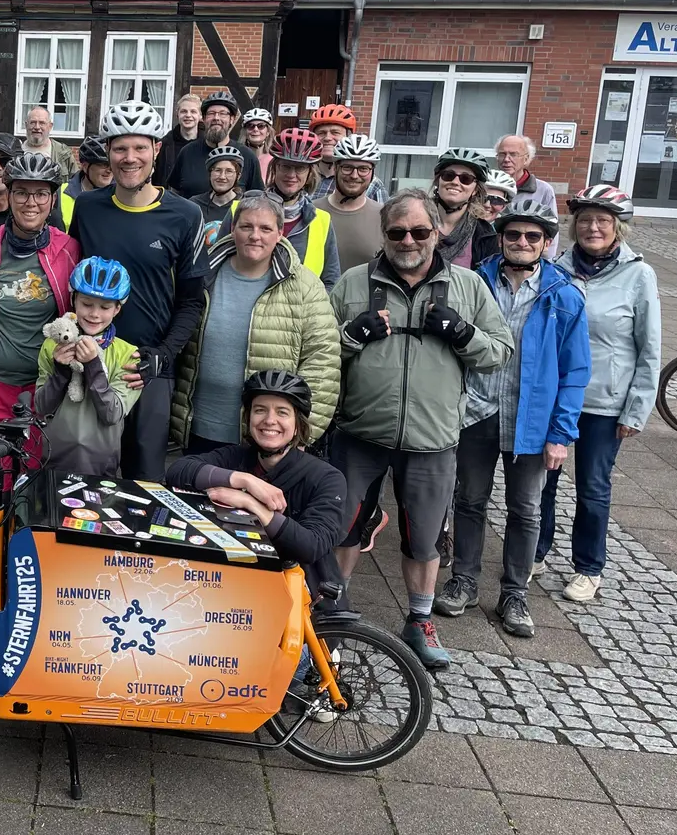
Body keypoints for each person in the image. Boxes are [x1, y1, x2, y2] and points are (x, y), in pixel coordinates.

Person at [327, 189, 514, 668]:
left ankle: (419, 619)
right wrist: (352, 337)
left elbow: (500, 352)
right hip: (360, 433)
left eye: (419, 231)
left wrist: (463, 333)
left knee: (424, 537)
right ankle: (330, 611)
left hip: (432, 439)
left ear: (437, 232)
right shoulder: (352, 282)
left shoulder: (469, 286)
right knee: (343, 528)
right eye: (396, 232)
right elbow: (321, 350)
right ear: (384, 234)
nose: (408, 240)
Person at [435, 198, 588, 637]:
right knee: (469, 500)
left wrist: (561, 433)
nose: (522, 242)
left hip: (532, 419)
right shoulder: (475, 281)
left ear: (545, 243)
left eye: (533, 236)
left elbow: (575, 371)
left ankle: (514, 592)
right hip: (477, 411)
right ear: (500, 239)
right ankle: (463, 579)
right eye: (514, 235)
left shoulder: (564, 295)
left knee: (525, 509)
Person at [69, 100, 207, 482]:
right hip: (93, 358)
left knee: (143, 481)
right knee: (87, 474)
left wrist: (163, 355)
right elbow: (75, 280)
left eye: (139, 147)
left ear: (157, 149)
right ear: (107, 154)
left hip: (146, 367)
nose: (130, 158)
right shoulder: (87, 208)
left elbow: (192, 300)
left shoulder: (184, 215)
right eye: (120, 148)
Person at [537, 185, 660, 604]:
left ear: (617, 229)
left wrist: (637, 408)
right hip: (556, 397)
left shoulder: (638, 275)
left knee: (592, 487)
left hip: (605, 403)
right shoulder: (554, 267)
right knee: (542, 483)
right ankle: (536, 551)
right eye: (585, 220)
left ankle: (588, 567)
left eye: (602, 221)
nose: (592, 227)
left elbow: (650, 346)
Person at [171, 189, 340, 456]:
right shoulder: (202, 275)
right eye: (246, 226)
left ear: (279, 233)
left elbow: (323, 365)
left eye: (265, 228)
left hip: (267, 437)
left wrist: (303, 434)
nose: (255, 235)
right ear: (233, 229)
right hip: (199, 428)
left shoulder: (305, 287)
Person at [0, 151, 80, 498]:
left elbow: (82, 312)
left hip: (43, 392)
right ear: (8, 195)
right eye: (22, 192)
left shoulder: (69, 249)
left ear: (52, 199)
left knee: (31, 491)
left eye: (41, 193)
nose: (31, 202)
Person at [165, 371, 347, 590]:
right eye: (260, 410)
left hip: (301, 593)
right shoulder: (236, 457)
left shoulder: (326, 477)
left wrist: (252, 504)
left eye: (282, 412)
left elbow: (311, 546)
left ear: (298, 424)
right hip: (236, 581)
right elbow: (178, 470)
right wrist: (244, 479)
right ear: (248, 418)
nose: (270, 420)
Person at [34, 258, 142, 477]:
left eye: (105, 307)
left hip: (100, 466)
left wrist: (93, 366)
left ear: (117, 308)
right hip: (54, 460)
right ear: (73, 300)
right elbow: (41, 407)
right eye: (86, 304)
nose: (94, 314)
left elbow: (112, 414)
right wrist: (61, 372)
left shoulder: (128, 354)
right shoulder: (52, 345)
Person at [260, 128, 339, 291]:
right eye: (285, 166)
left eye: (300, 168)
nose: (291, 174)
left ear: (310, 173)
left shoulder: (321, 221)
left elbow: (330, 280)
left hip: (303, 314)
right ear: (274, 167)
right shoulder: (241, 211)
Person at [169, 91, 263, 196]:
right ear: (203, 119)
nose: (216, 118)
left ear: (231, 119)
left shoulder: (248, 156)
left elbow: (258, 199)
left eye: (223, 113)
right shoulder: (187, 152)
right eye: (211, 113)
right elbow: (174, 193)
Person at [320, 134, 385, 273]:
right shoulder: (311, 211)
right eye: (347, 167)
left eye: (363, 169)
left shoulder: (385, 216)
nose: (354, 175)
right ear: (336, 168)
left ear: (372, 172)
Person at [431, 148, 497, 268]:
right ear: (438, 181)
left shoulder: (484, 234)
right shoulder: (414, 221)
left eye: (466, 179)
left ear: (475, 190)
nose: (455, 182)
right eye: (448, 175)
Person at [311, 104, 389, 203]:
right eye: (321, 133)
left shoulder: (371, 184)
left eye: (335, 132)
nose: (327, 138)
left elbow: (383, 217)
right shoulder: (303, 176)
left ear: (349, 136)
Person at [187, 145, 245, 237]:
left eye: (229, 171)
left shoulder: (243, 206)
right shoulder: (194, 205)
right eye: (217, 170)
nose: (222, 176)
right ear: (210, 173)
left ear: (238, 176)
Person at [152, 94, 203, 191]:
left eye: (193, 111)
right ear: (177, 114)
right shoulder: (164, 145)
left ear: (200, 116)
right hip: (169, 200)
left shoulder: (208, 144)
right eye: (183, 111)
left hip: (201, 201)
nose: (188, 115)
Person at [495, 134, 557, 215]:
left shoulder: (543, 190)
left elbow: (551, 224)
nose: (506, 159)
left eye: (513, 154)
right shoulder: (487, 186)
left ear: (526, 159)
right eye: (502, 154)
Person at [58, 136, 112, 226]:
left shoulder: (122, 195)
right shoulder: (61, 194)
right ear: (85, 166)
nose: (109, 170)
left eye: (111, 164)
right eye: (103, 164)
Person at [21, 106, 77, 181]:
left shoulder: (64, 153)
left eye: (42, 123)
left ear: (50, 126)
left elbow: (77, 183)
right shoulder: (16, 151)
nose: (37, 127)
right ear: (26, 125)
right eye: (33, 122)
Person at [241, 107, 275, 182]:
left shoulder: (274, 159)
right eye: (250, 126)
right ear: (245, 132)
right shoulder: (237, 156)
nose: (255, 129)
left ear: (268, 132)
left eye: (261, 126)